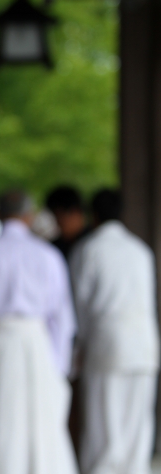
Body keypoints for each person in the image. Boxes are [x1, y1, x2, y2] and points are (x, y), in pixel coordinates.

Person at [0, 190, 78, 474]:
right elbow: (62, 317)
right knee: (42, 429)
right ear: (29, 215)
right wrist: (58, 365)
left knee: (0, 428)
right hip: (39, 345)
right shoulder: (48, 255)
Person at [69, 189, 159, 474]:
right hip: (144, 343)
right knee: (136, 425)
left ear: (92, 215)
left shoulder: (88, 249)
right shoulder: (140, 250)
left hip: (106, 342)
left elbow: (79, 303)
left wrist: (80, 343)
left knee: (104, 427)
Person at [46, 185, 89, 259]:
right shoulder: (55, 248)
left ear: (75, 212)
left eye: (59, 216)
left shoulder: (91, 242)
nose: (58, 223)